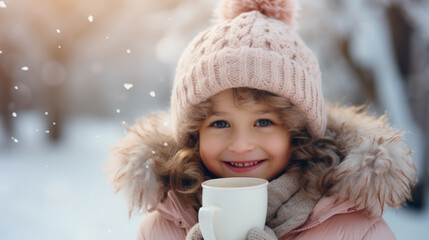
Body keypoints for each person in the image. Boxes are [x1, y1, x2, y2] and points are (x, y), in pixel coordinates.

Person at [106, 0, 418, 239]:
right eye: (220, 123)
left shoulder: (356, 229)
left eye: (264, 122)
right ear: (193, 134)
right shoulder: (163, 227)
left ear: (298, 132)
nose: (241, 145)